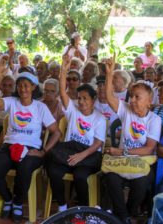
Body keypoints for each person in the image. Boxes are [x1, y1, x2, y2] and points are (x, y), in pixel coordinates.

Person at [0, 63, 61, 223]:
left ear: (34, 87)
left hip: (31, 148)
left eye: (26, 86)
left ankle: (18, 203)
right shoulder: (12, 102)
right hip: (9, 146)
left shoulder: (40, 107)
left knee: (25, 169)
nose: (23, 89)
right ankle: (8, 199)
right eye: (20, 86)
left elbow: (56, 132)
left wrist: (43, 151)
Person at [103, 55, 161, 223]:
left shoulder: (154, 120)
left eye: (138, 97)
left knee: (141, 183)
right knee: (111, 179)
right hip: (122, 162)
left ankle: (128, 213)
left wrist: (122, 151)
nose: (132, 100)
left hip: (141, 162)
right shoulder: (126, 109)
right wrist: (109, 73)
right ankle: (124, 217)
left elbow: (149, 148)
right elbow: (109, 96)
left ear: (149, 102)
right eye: (132, 95)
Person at [46, 57, 105, 212]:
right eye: (79, 98)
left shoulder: (99, 118)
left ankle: (84, 210)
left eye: (85, 98)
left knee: (80, 177)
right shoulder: (72, 110)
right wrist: (63, 70)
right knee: (53, 171)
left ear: (93, 100)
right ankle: (62, 206)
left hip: (88, 155)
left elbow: (98, 143)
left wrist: (81, 156)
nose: (81, 102)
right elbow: (63, 91)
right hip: (69, 152)